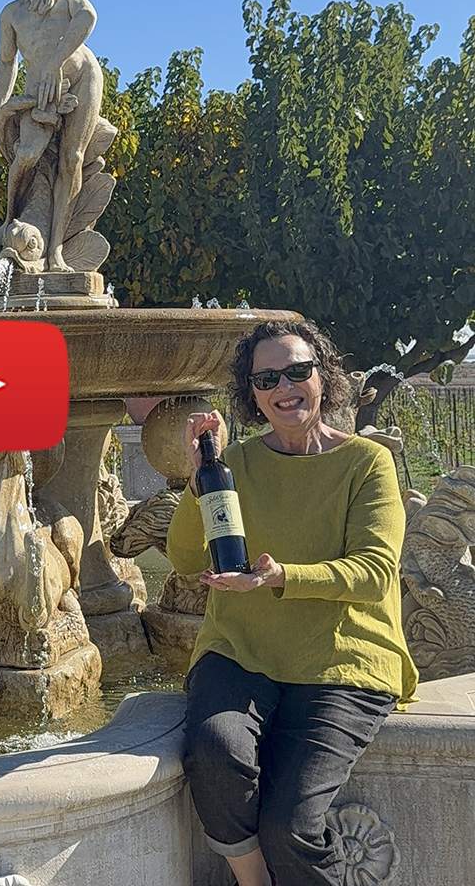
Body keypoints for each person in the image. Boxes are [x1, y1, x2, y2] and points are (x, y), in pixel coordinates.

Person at [166, 319, 418, 886]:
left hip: (343, 662)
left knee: (293, 825)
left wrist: (282, 577)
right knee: (214, 748)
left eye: (298, 371)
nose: (285, 387)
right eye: (267, 377)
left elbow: (375, 573)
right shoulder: (236, 467)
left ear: (323, 377)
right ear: (251, 393)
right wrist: (196, 475)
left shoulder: (365, 463)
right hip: (240, 650)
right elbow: (184, 558)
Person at [0, 0, 105, 272]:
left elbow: (88, 17)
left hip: (82, 76)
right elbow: (7, 63)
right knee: (25, 156)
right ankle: (9, 222)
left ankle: (55, 251)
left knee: (71, 158)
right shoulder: (11, 14)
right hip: (37, 93)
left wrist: (56, 62)